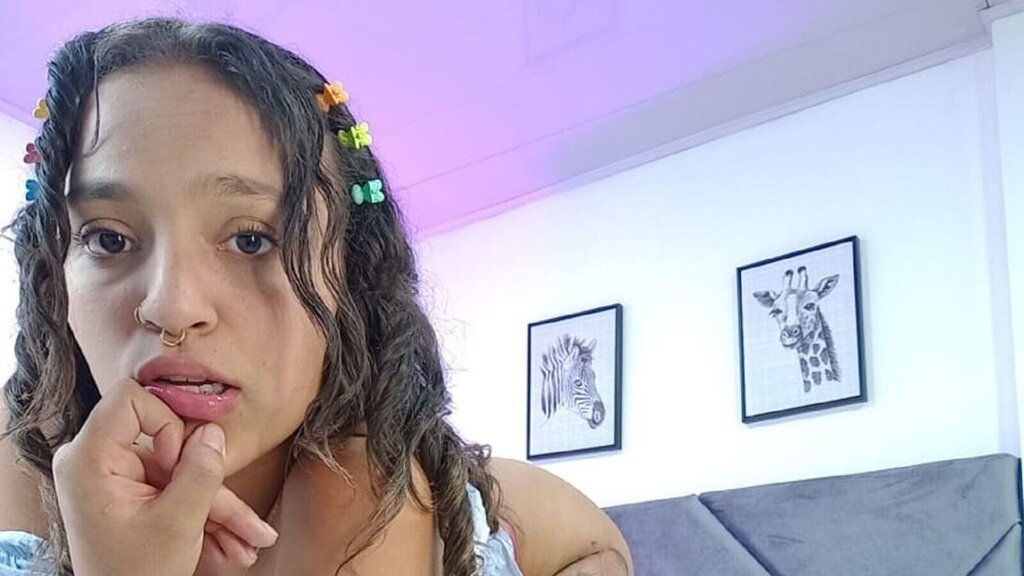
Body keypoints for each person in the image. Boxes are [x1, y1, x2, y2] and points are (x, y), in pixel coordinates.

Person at [0, 17, 632, 576]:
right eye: (109, 239)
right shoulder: (16, 494)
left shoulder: (437, 506)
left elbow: (597, 546)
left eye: (251, 240)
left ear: (351, 273)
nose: (171, 307)